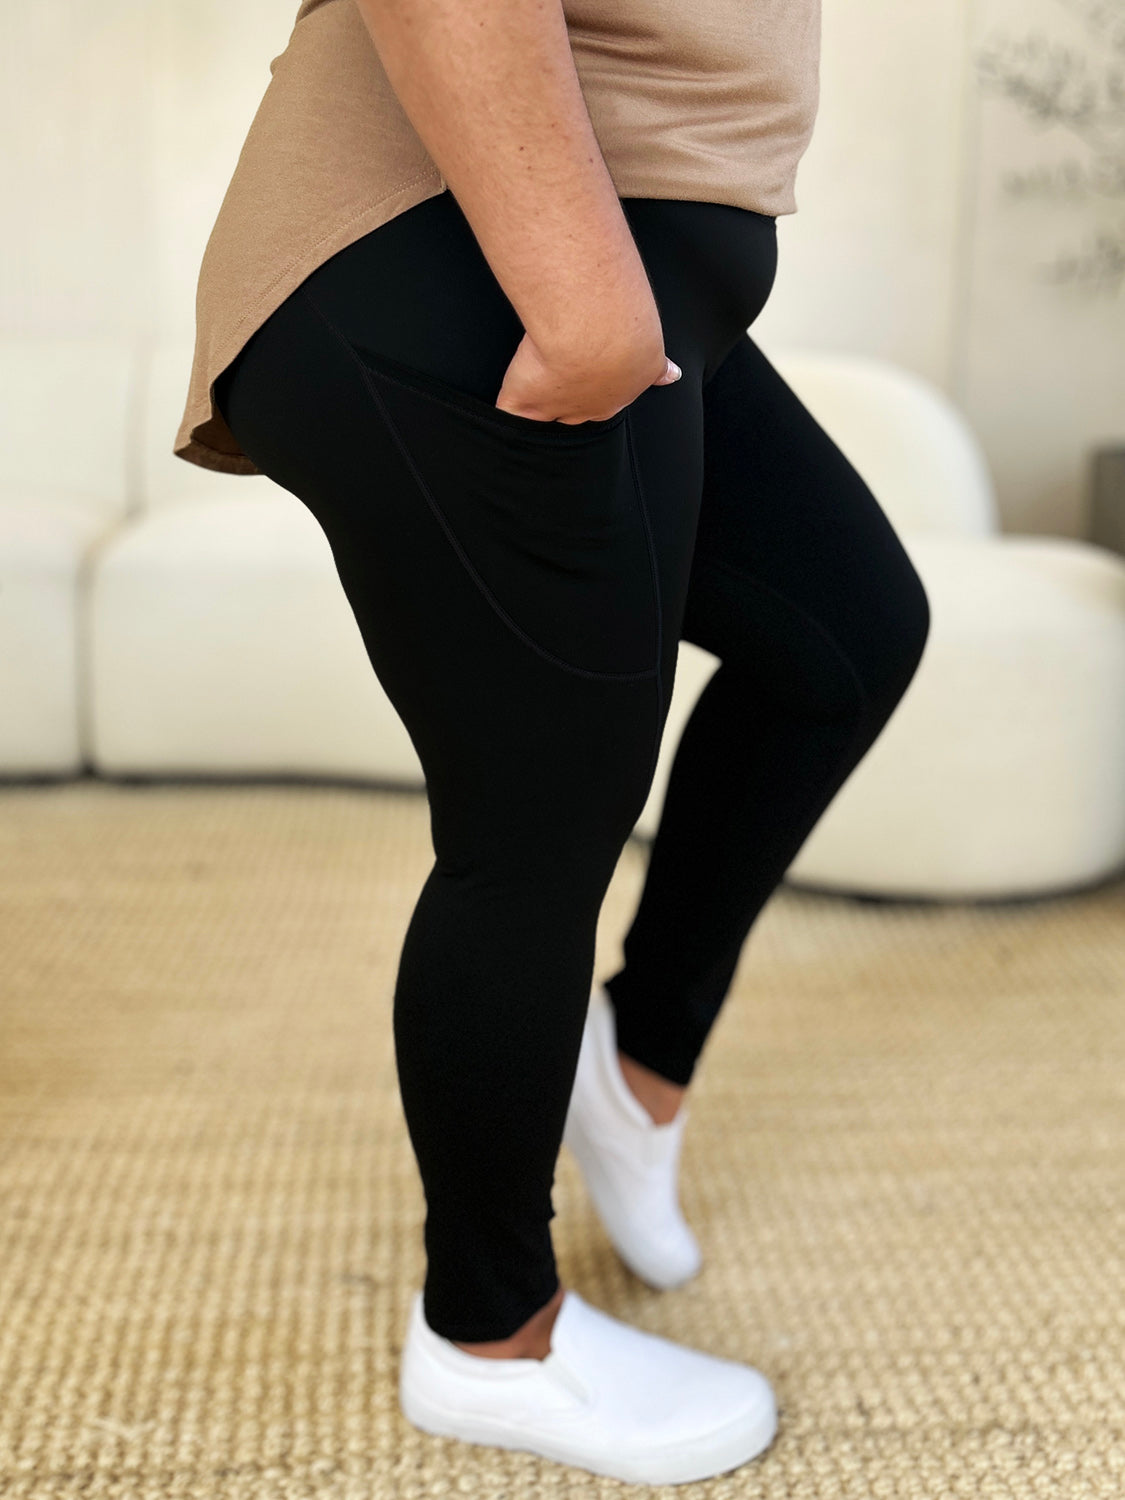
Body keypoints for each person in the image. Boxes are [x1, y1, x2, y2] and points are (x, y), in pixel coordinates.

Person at [175, 0, 930, 1484]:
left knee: (843, 638)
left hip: (608, 257)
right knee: (538, 818)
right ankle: (488, 1338)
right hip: (475, 250)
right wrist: (587, 305)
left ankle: (630, 1070)